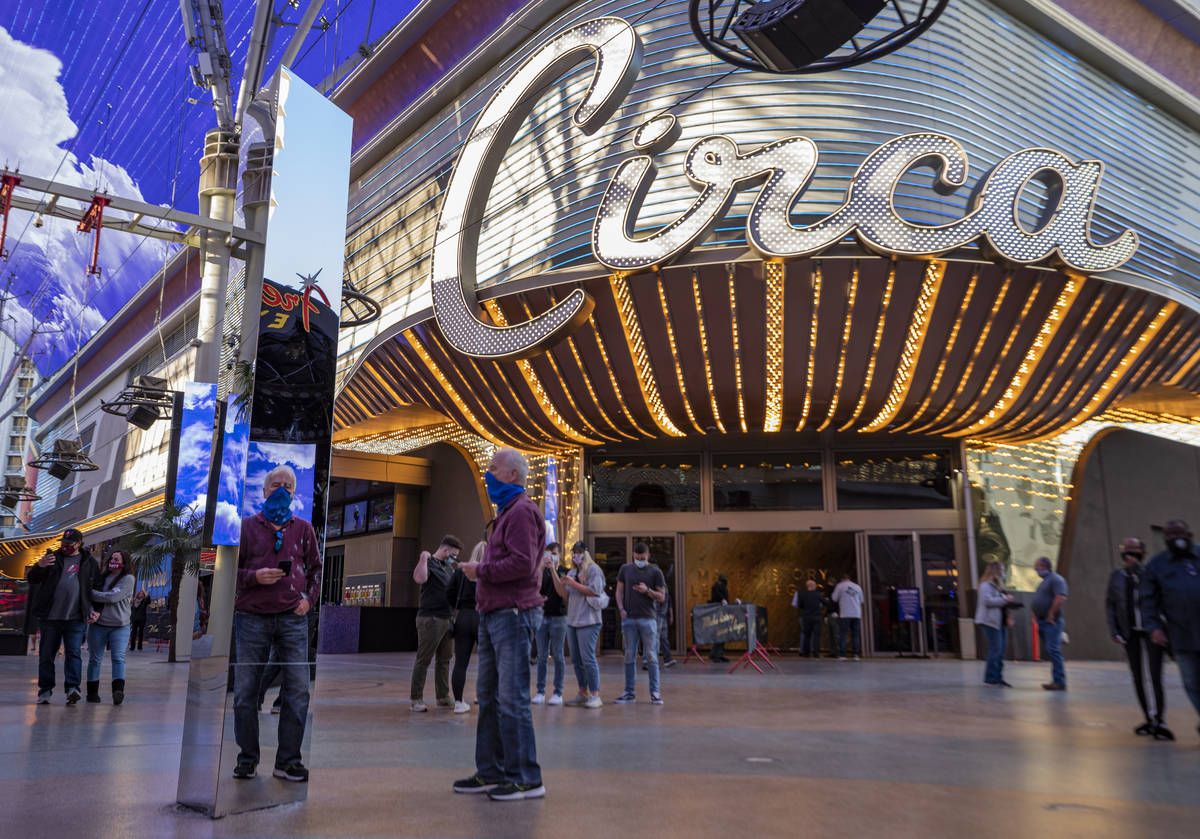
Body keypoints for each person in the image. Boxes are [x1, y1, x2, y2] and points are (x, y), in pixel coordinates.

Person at [453, 448, 546, 801]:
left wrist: (481, 571)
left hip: (513, 613)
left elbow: (522, 564)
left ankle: (526, 777)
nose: (488, 475)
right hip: (494, 613)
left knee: (512, 697)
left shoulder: (521, 512)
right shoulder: (507, 513)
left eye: (493, 469)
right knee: (489, 697)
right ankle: (491, 771)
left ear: (511, 475)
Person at [231, 464, 322, 783]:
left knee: (298, 690)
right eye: (276, 485)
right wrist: (254, 577)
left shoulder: (304, 529)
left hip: (292, 618)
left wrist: (308, 600)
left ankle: (288, 761)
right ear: (264, 490)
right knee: (245, 692)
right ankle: (247, 758)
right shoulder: (245, 527)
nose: (282, 490)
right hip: (251, 616)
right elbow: (229, 572)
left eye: (289, 486)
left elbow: (316, 570)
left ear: (295, 493)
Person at [1107, 537, 1170, 738]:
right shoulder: (1116, 576)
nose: (1129, 554)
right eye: (1126, 550)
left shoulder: (1150, 574)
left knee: (1155, 676)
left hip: (1152, 630)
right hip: (1130, 632)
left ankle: (1160, 720)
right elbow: (1110, 605)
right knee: (1137, 676)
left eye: (1134, 550)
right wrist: (1114, 630)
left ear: (1143, 552)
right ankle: (1148, 718)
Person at [1142, 520, 1200, 736]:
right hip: (1181, 635)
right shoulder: (1157, 565)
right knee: (1191, 683)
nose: (1175, 538)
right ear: (1165, 538)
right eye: (1170, 535)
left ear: (1189, 535)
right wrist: (1154, 627)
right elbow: (1148, 601)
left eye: (1179, 533)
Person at [28, 528, 96, 705]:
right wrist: (39, 566)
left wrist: (95, 609)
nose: (65, 547)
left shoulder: (88, 561)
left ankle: (73, 689)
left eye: (69, 544)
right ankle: (45, 690)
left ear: (79, 543)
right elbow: (33, 579)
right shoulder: (53, 558)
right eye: (63, 544)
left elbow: (96, 587)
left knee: (74, 653)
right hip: (50, 617)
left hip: (76, 618)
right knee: (46, 655)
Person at [410, 534, 462, 712]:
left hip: (447, 619)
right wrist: (423, 558)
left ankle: (443, 696)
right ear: (445, 550)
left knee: (445, 660)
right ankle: (416, 698)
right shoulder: (429, 562)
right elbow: (419, 578)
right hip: (430, 619)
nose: (454, 558)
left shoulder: (448, 569)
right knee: (423, 659)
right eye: (453, 554)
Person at [552, 542, 604, 709]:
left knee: (588, 658)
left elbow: (595, 591)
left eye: (580, 552)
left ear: (586, 553)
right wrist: (556, 575)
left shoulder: (593, 570)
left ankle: (595, 694)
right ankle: (583, 692)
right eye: (574, 552)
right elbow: (564, 595)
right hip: (573, 620)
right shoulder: (572, 571)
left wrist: (574, 584)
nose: (576, 555)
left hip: (589, 620)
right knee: (576, 658)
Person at [614, 541, 666, 704]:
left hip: (648, 619)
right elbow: (619, 591)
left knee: (651, 656)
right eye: (637, 557)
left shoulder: (655, 572)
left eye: (642, 558)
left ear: (648, 556)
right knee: (629, 655)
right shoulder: (625, 569)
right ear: (633, 556)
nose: (639, 560)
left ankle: (655, 692)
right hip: (629, 619)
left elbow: (662, 597)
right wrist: (621, 609)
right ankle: (629, 692)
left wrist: (647, 591)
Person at [86, 550, 135, 704]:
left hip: (120, 626)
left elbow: (113, 597)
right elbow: (89, 598)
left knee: (118, 658)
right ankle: (92, 693)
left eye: (116, 558)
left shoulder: (128, 579)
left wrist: (91, 593)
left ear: (124, 562)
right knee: (94, 659)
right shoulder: (101, 578)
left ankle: (118, 691)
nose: (112, 561)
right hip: (98, 625)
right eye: (111, 558)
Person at [449, 541, 483, 714]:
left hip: (463, 616)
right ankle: (482, 696)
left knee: (460, 662)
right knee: (487, 661)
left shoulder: (461, 572)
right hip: (483, 616)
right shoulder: (488, 572)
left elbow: (449, 593)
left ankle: (458, 702)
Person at [532, 542, 567, 705]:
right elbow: (533, 588)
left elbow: (561, 592)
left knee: (558, 656)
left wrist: (552, 569)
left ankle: (558, 692)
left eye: (553, 553)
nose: (550, 557)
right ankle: (540, 691)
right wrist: (540, 567)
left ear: (559, 555)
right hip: (541, 617)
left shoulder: (563, 571)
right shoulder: (540, 570)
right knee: (542, 656)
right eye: (547, 553)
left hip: (559, 617)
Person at [975, 562, 1015, 687]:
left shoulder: (998, 586)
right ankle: (990, 678)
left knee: (1000, 650)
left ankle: (998, 677)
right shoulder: (986, 585)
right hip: (990, 621)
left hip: (999, 622)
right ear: (996, 571)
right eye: (1002, 570)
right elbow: (987, 601)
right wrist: (1005, 599)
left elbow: (1001, 604)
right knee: (995, 649)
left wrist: (1008, 612)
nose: (1004, 573)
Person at [1032, 556, 1068, 691]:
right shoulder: (1046, 580)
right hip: (1042, 621)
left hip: (1051, 621)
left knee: (1053, 650)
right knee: (1051, 651)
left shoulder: (1056, 579)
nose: (1036, 570)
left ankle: (1059, 681)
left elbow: (1060, 597)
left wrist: (1051, 614)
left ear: (1044, 566)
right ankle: (1056, 680)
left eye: (1037, 567)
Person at [831, 573, 864, 660]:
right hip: (856, 614)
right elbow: (861, 600)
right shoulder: (857, 587)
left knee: (843, 634)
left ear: (842, 579)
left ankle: (843, 655)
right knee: (856, 635)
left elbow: (834, 598)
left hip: (845, 613)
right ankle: (856, 655)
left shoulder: (840, 586)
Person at [796, 580, 825, 658]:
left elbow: (800, 605)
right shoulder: (818, 594)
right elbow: (825, 602)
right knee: (817, 636)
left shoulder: (802, 594)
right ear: (814, 586)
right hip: (817, 617)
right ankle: (816, 653)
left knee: (807, 636)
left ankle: (806, 653)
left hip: (807, 617)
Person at [709, 573, 731, 662]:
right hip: (720, 613)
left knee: (721, 634)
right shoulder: (718, 586)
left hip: (721, 612)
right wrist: (723, 599)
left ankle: (717, 654)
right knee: (721, 634)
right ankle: (716, 655)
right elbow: (717, 593)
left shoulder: (718, 586)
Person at [655, 578, 675, 669]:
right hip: (657, 616)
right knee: (657, 638)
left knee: (663, 638)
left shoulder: (664, 589)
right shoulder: (655, 588)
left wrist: (671, 616)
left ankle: (667, 659)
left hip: (662, 616)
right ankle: (652, 660)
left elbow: (669, 604)